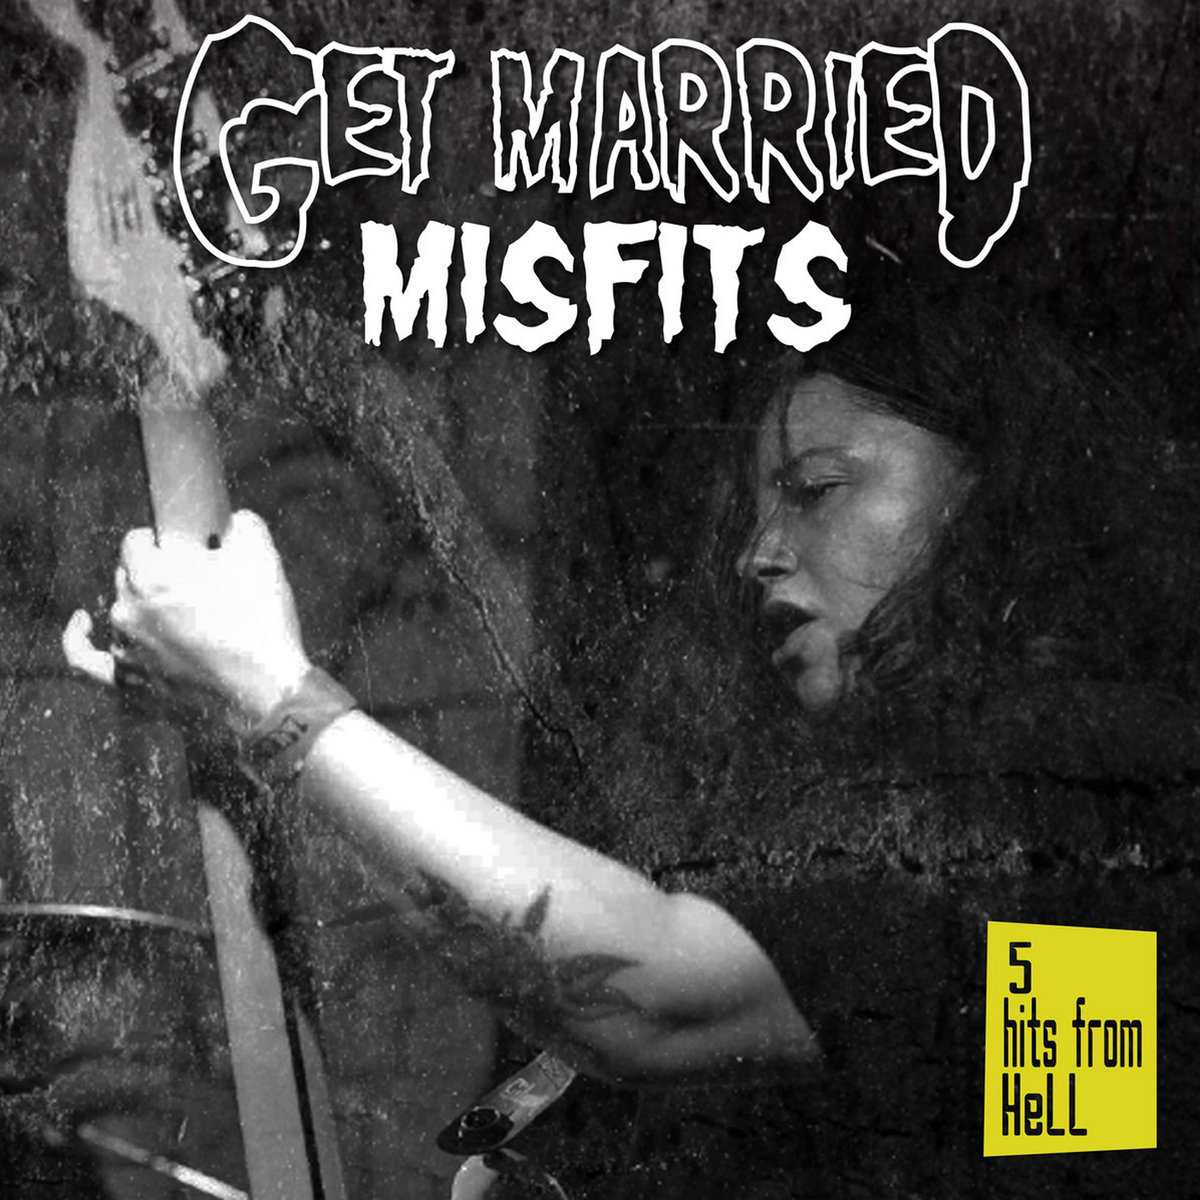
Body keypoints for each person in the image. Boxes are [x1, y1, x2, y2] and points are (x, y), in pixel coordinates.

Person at [66, 283, 1200, 1197]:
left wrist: (270, 695)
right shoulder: (941, 802)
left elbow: (653, 993)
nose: (758, 550)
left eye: (815, 489)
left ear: (988, 491)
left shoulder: (1081, 788)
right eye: (761, 505)